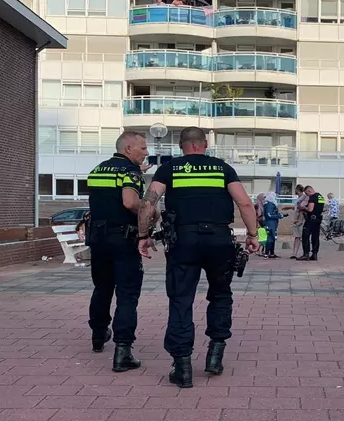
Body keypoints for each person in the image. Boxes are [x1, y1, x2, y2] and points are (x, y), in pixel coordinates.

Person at [137, 127, 260, 389]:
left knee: (181, 299)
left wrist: (143, 235)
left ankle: (182, 366)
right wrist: (253, 234)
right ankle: (215, 354)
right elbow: (245, 204)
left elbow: (149, 203)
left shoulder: (169, 169)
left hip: (183, 241)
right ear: (204, 144)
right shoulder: (222, 168)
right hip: (218, 240)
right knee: (220, 294)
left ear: (182, 146)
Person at [86, 131, 154, 372]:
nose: (146, 152)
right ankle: (123, 350)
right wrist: (150, 211)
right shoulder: (129, 171)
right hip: (123, 239)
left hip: (98, 239)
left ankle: (98, 334)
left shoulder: (97, 170)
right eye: (143, 148)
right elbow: (129, 202)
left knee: (102, 287)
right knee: (127, 294)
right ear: (128, 149)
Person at [298, 185, 325, 261]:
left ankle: (306, 254)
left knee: (305, 236)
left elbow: (310, 209)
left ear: (309, 191)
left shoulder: (312, 197)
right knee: (315, 237)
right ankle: (314, 254)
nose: (307, 195)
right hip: (318, 219)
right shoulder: (320, 197)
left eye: (307, 193)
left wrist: (303, 208)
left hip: (311, 219)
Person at [285, 184, 308, 259]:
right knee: (297, 237)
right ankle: (294, 253)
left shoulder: (304, 197)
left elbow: (301, 208)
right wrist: (290, 207)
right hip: (296, 219)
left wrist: (299, 219)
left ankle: (304, 253)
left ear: (298, 190)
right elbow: (297, 208)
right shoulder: (300, 198)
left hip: (300, 219)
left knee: (301, 236)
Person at [263, 192, 286, 259]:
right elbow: (269, 215)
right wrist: (278, 216)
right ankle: (267, 253)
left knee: (272, 238)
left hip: (273, 223)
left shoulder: (271, 204)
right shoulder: (269, 205)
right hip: (270, 223)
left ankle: (272, 253)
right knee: (270, 238)